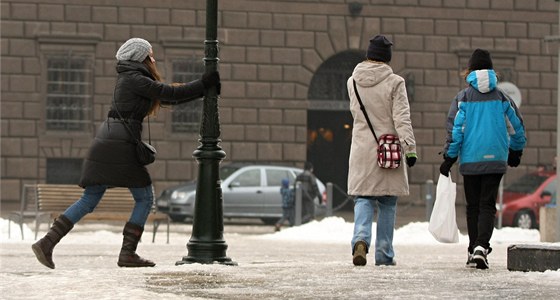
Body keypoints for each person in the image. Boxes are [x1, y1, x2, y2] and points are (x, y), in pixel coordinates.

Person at [31, 37, 221, 269]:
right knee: (144, 198)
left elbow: (167, 97)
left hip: (109, 140)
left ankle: (47, 242)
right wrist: (204, 83)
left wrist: (202, 90)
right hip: (119, 144)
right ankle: (127, 253)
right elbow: (167, 92)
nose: (153, 58)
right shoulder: (134, 78)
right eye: (150, 54)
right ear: (141, 57)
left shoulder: (130, 77)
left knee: (90, 198)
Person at [440, 48, 526, 270]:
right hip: (496, 157)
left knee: (473, 207)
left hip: (470, 158)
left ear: (470, 69)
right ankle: (481, 247)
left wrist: (449, 157)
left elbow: (456, 130)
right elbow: (517, 125)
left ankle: (474, 249)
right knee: (488, 204)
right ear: (491, 70)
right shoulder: (501, 97)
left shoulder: (463, 98)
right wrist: (515, 150)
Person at [347, 35, 417, 267]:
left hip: (361, 150)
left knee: (363, 198)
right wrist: (410, 148)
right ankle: (384, 253)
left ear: (368, 54)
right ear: (387, 57)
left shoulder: (353, 82)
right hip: (388, 151)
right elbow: (402, 119)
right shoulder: (395, 82)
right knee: (387, 202)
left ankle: (360, 240)